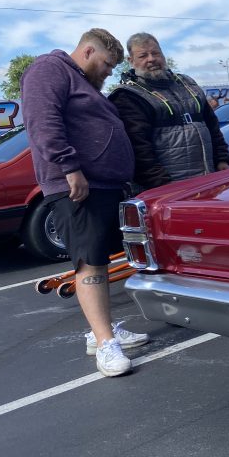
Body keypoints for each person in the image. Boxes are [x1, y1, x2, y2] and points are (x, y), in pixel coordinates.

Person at [20, 29, 149, 377]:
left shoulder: (81, 82)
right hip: (79, 187)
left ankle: (99, 331)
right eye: (107, 65)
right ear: (89, 50)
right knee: (88, 263)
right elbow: (42, 121)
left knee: (100, 260)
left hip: (104, 185)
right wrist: (69, 167)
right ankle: (107, 346)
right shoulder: (49, 69)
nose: (108, 73)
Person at [109, 33, 229, 191]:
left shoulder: (188, 84)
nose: (151, 59)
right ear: (131, 61)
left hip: (208, 182)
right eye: (143, 55)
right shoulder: (128, 96)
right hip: (167, 192)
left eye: (155, 53)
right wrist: (163, 186)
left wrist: (222, 159)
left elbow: (212, 124)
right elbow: (138, 149)